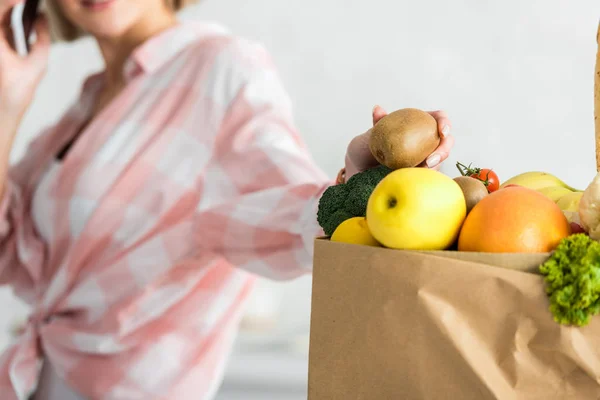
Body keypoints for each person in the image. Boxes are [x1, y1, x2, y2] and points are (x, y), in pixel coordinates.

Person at [0, 0, 455, 398]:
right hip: (43, 381)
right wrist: (7, 102)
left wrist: (356, 184)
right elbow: (9, 253)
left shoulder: (222, 68)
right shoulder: (88, 101)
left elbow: (288, 205)